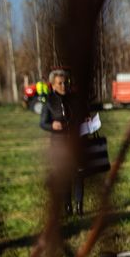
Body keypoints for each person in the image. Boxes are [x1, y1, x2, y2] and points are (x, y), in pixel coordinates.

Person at [39, 68, 86, 215]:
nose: (63, 86)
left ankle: (79, 206)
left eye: (65, 83)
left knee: (78, 174)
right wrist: (52, 125)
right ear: (53, 85)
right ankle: (67, 207)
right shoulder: (49, 102)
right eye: (60, 83)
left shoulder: (74, 99)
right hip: (59, 144)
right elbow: (42, 122)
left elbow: (83, 114)